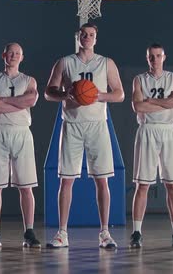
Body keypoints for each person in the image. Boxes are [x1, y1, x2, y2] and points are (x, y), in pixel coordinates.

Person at [44, 23, 125, 249]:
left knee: (102, 180)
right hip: (71, 124)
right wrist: (64, 93)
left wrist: (99, 95)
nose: (87, 38)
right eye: (83, 34)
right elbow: (48, 92)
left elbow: (119, 94)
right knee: (66, 180)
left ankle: (105, 233)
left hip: (98, 125)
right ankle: (62, 233)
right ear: (77, 37)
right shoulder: (65, 62)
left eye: (91, 35)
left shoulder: (106, 62)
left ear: (96, 38)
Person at [0, 43, 41, 248]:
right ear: (4, 55)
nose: (14, 56)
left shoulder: (29, 80)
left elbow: (31, 100)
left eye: (18, 53)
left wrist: (3, 101)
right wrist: (18, 102)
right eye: (10, 52)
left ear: (22, 57)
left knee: (26, 186)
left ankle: (29, 231)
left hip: (22, 132)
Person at [129, 43, 173, 248]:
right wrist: (165, 101)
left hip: (169, 130)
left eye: (158, 56)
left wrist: (152, 101)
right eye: (151, 57)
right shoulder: (139, 79)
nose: (155, 60)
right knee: (142, 185)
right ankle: (136, 232)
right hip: (147, 130)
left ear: (164, 57)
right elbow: (138, 106)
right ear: (147, 58)